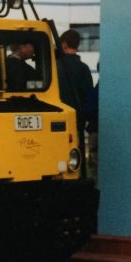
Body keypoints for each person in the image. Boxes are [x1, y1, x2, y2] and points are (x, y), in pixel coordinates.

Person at [57, 29, 94, 165]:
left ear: (64, 45)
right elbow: (88, 96)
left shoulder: (54, 67)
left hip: (57, 119)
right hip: (77, 120)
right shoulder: (84, 68)